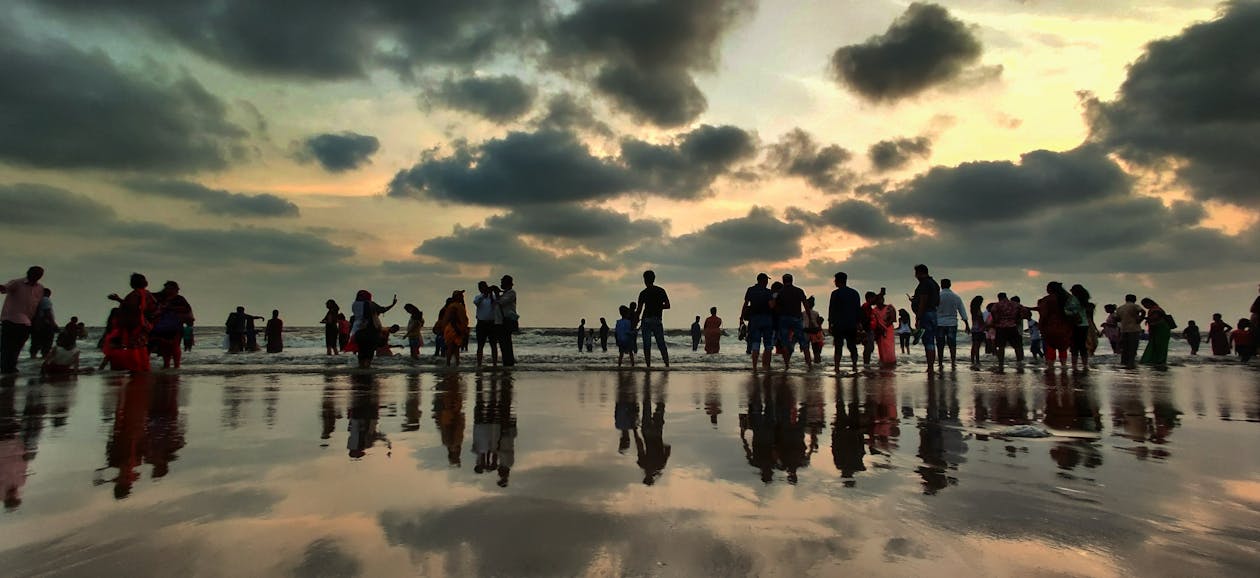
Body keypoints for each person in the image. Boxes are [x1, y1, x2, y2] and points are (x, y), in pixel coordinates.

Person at [106, 273, 157, 372]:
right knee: (142, 346)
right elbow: (153, 308)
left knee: (134, 347)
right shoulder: (147, 294)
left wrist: (118, 300)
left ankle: (136, 367)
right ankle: (144, 367)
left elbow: (131, 307)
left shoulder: (134, 294)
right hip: (144, 324)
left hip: (135, 324)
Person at [1, 266, 46, 374]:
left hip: (27, 322)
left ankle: (10, 366)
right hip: (10, 319)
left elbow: (38, 305)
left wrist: (38, 321)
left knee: (18, 345)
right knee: (7, 345)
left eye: (39, 274)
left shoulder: (40, 288)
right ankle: (6, 367)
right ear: (28, 273)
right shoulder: (17, 283)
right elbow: (4, 288)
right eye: (34, 273)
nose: (36, 276)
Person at [151, 281, 194, 369]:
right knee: (165, 346)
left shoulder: (179, 299)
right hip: (161, 326)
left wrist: (169, 308)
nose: (170, 291)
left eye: (172, 289)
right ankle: (167, 365)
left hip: (175, 326)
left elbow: (187, 310)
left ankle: (176, 366)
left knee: (174, 346)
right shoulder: (158, 297)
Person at [1034, 282, 1074, 371]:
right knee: (1063, 347)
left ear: (1051, 289)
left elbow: (1044, 315)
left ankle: (1051, 366)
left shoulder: (1047, 299)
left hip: (1050, 326)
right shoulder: (1068, 298)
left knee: (1050, 347)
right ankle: (1064, 366)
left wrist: (1040, 325)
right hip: (1065, 326)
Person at [352, 291, 397, 369]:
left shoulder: (354, 305)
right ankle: (366, 372)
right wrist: (393, 304)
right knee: (369, 354)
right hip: (370, 332)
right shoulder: (370, 304)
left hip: (358, 331)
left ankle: (361, 371)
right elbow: (382, 309)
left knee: (361, 353)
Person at [774, 274, 810, 370]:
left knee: (785, 343)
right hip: (796, 318)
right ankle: (809, 364)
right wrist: (809, 318)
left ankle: (786, 365)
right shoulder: (799, 291)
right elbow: (806, 305)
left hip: (784, 318)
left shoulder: (780, 292)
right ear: (792, 280)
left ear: (783, 281)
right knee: (804, 342)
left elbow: (774, 306)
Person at [828, 272, 862, 373]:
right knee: (852, 346)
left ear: (838, 281)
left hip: (838, 325)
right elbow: (857, 310)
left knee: (838, 347)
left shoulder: (835, 294)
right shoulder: (854, 293)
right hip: (851, 324)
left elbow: (832, 310)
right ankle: (854, 365)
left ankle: (837, 367)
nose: (834, 282)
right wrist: (858, 323)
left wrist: (830, 324)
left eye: (835, 280)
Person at [740, 273, 775, 371]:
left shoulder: (750, 290)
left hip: (754, 319)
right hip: (767, 319)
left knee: (755, 344)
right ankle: (766, 366)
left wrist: (741, 317)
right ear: (764, 281)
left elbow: (745, 304)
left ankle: (754, 367)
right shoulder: (768, 292)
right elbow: (772, 306)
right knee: (768, 345)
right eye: (767, 280)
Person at [636, 270, 671, 368]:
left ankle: (648, 366)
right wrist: (659, 306)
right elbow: (668, 305)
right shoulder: (661, 290)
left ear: (645, 280)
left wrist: (634, 322)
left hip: (646, 320)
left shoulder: (643, 293)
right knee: (661, 344)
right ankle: (667, 364)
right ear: (654, 279)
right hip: (657, 319)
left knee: (647, 345)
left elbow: (639, 310)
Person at [910, 264, 941, 372]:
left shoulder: (924, 284)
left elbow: (923, 300)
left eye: (916, 273)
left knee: (928, 341)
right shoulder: (934, 283)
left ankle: (930, 367)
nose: (915, 276)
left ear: (919, 273)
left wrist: (918, 317)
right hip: (933, 313)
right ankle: (931, 366)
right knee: (931, 340)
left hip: (926, 314)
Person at [935, 278, 969, 370]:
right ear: (950, 285)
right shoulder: (956, 297)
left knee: (940, 344)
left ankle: (940, 362)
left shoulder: (937, 296)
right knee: (952, 344)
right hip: (952, 323)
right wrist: (966, 323)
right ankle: (953, 361)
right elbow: (962, 310)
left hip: (939, 323)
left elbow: (933, 309)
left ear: (941, 285)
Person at [990, 292, 1029, 371]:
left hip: (1001, 327)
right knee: (1017, 346)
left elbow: (993, 312)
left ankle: (1001, 363)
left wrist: (995, 321)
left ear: (999, 297)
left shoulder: (997, 305)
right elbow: (1025, 310)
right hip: (1012, 326)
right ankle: (1019, 362)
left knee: (1001, 347)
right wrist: (1019, 317)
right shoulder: (1014, 304)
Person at [439, 290, 470, 367]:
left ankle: (456, 364)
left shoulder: (458, 305)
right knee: (451, 347)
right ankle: (448, 364)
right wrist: (457, 329)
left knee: (456, 347)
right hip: (453, 329)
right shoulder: (453, 306)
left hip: (456, 328)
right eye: (461, 296)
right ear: (456, 297)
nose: (462, 297)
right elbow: (452, 318)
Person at [1067, 284, 1093, 372]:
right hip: (1084, 324)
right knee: (1082, 346)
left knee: (1074, 346)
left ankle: (1074, 365)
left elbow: (1068, 310)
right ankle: (1085, 365)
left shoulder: (1073, 299)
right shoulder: (1085, 300)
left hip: (1075, 324)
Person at [473, 282, 499, 367]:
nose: (484, 289)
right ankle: (479, 364)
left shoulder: (493, 298)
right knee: (480, 345)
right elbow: (476, 302)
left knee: (493, 345)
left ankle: (495, 364)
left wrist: (492, 293)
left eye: (485, 287)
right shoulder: (478, 297)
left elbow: (496, 304)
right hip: (481, 323)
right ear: (480, 289)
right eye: (482, 288)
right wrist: (484, 294)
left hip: (492, 323)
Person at [1114, 295, 1145, 368]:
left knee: (1125, 348)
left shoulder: (1120, 308)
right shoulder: (1134, 306)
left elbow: (1117, 318)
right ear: (1134, 299)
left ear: (1125, 299)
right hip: (1134, 329)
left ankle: (1124, 362)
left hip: (1124, 329)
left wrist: (1124, 319)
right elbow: (1143, 311)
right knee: (1133, 347)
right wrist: (1140, 319)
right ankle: (1131, 363)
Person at [1140, 298, 1171, 366]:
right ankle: (1156, 360)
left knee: (1159, 346)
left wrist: (1146, 319)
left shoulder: (1155, 309)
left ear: (1149, 303)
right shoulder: (1156, 309)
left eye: (1145, 304)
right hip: (1160, 330)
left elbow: (1155, 317)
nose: (1145, 306)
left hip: (1161, 330)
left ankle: (1157, 360)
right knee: (1157, 345)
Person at [496, 275, 518, 367]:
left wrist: (497, 294)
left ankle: (509, 362)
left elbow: (500, 302)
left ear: (507, 283)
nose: (501, 284)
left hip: (506, 321)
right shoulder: (506, 293)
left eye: (502, 282)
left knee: (506, 343)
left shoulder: (511, 293)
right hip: (503, 321)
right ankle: (507, 362)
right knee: (503, 343)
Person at [28, 288, 56, 359]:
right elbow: (47, 313)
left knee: (35, 343)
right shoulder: (45, 299)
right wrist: (54, 324)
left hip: (36, 324)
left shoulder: (35, 300)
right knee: (47, 343)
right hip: (45, 324)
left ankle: (33, 358)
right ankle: (44, 358)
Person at [871, 294, 897, 367]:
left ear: (883, 299)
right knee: (881, 347)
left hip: (888, 330)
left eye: (880, 299)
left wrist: (884, 327)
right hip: (879, 331)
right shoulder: (874, 310)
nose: (879, 301)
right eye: (877, 300)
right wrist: (878, 330)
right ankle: (883, 362)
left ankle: (890, 362)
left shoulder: (890, 308)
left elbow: (893, 319)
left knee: (889, 346)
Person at [804, 297, 824, 362]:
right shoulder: (816, 313)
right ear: (813, 305)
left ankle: (808, 362)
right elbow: (819, 323)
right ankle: (817, 363)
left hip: (806, 331)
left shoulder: (803, 313)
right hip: (815, 332)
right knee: (816, 350)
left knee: (806, 348)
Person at [968, 296, 986, 369]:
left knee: (974, 345)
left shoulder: (973, 310)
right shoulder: (978, 311)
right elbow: (981, 321)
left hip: (974, 329)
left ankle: (973, 360)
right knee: (977, 346)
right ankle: (977, 360)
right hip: (979, 330)